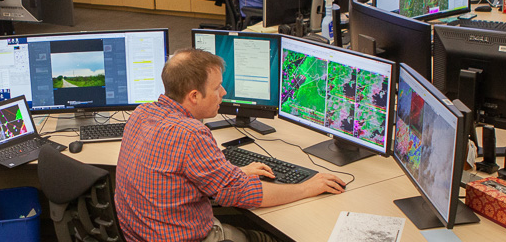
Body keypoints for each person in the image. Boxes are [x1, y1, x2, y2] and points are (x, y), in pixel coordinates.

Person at [115, 49, 346, 242]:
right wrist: (307, 187)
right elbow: (243, 195)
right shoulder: (191, 134)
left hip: (138, 234)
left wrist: (235, 172)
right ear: (194, 96)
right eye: (217, 88)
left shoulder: (141, 113)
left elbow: (178, 173)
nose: (223, 93)